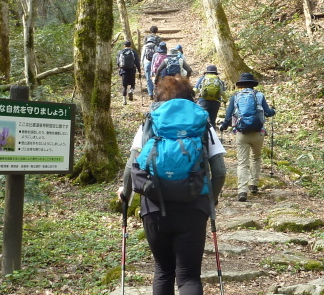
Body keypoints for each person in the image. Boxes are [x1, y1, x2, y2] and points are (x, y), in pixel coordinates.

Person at [118, 76, 226, 295]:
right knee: (188, 276)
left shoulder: (150, 121)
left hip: (154, 207)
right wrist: (210, 199)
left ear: (159, 96)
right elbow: (220, 171)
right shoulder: (202, 123)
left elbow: (131, 166)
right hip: (194, 207)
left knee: (163, 271)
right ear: (190, 97)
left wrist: (125, 194)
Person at [219, 73, 275, 202]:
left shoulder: (236, 96)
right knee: (256, 158)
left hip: (242, 133)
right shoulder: (259, 95)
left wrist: (224, 126)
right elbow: (267, 113)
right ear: (253, 84)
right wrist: (273, 111)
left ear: (241, 85)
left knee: (242, 163)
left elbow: (228, 117)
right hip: (258, 133)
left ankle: (242, 191)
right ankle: (253, 184)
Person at [194, 65, 227, 130]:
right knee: (212, 121)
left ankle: (204, 137)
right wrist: (225, 100)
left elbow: (195, 90)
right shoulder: (219, 80)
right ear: (216, 73)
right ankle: (213, 138)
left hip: (203, 101)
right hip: (216, 102)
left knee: (203, 120)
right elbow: (223, 93)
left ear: (207, 72)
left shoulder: (202, 79)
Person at [116, 40, 141, 105]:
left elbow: (118, 62)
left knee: (124, 86)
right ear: (131, 45)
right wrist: (139, 70)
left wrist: (120, 69)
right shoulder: (133, 52)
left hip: (123, 71)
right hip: (132, 70)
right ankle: (131, 91)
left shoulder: (120, 52)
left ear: (124, 46)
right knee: (132, 84)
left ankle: (124, 101)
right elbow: (137, 62)